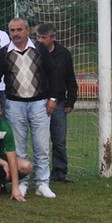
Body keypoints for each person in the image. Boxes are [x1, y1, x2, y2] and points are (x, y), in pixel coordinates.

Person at [0, 18, 60, 198]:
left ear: (27, 31)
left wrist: (53, 98)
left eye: (19, 30)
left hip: (40, 103)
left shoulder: (40, 49)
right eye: (12, 30)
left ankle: (42, 183)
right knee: (18, 148)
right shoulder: (3, 53)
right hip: (14, 104)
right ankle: (22, 182)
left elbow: (53, 73)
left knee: (42, 145)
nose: (16, 33)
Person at [36, 23, 78, 184]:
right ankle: (37, 172)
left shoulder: (63, 54)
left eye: (44, 37)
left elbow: (70, 78)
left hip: (59, 103)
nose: (41, 40)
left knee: (59, 140)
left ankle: (59, 173)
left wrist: (70, 101)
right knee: (38, 140)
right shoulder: (34, 52)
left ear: (53, 38)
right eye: (38, 37)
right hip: (37, 101)